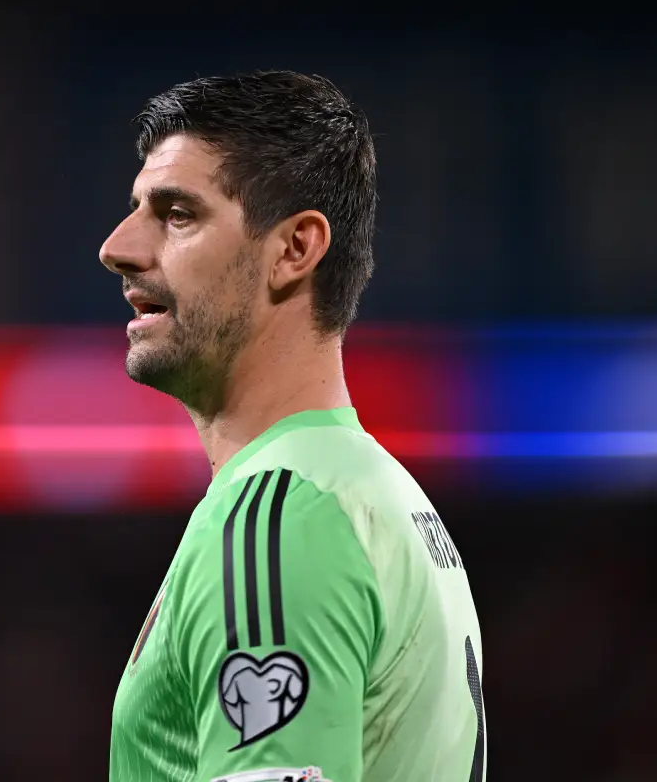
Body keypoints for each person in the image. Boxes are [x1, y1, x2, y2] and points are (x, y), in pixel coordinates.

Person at [100, 71, 485, 782]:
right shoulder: (370, 492)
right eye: (135, 209)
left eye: (177, 214)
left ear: (293, 250)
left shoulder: (279, 517)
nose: (118, 247)